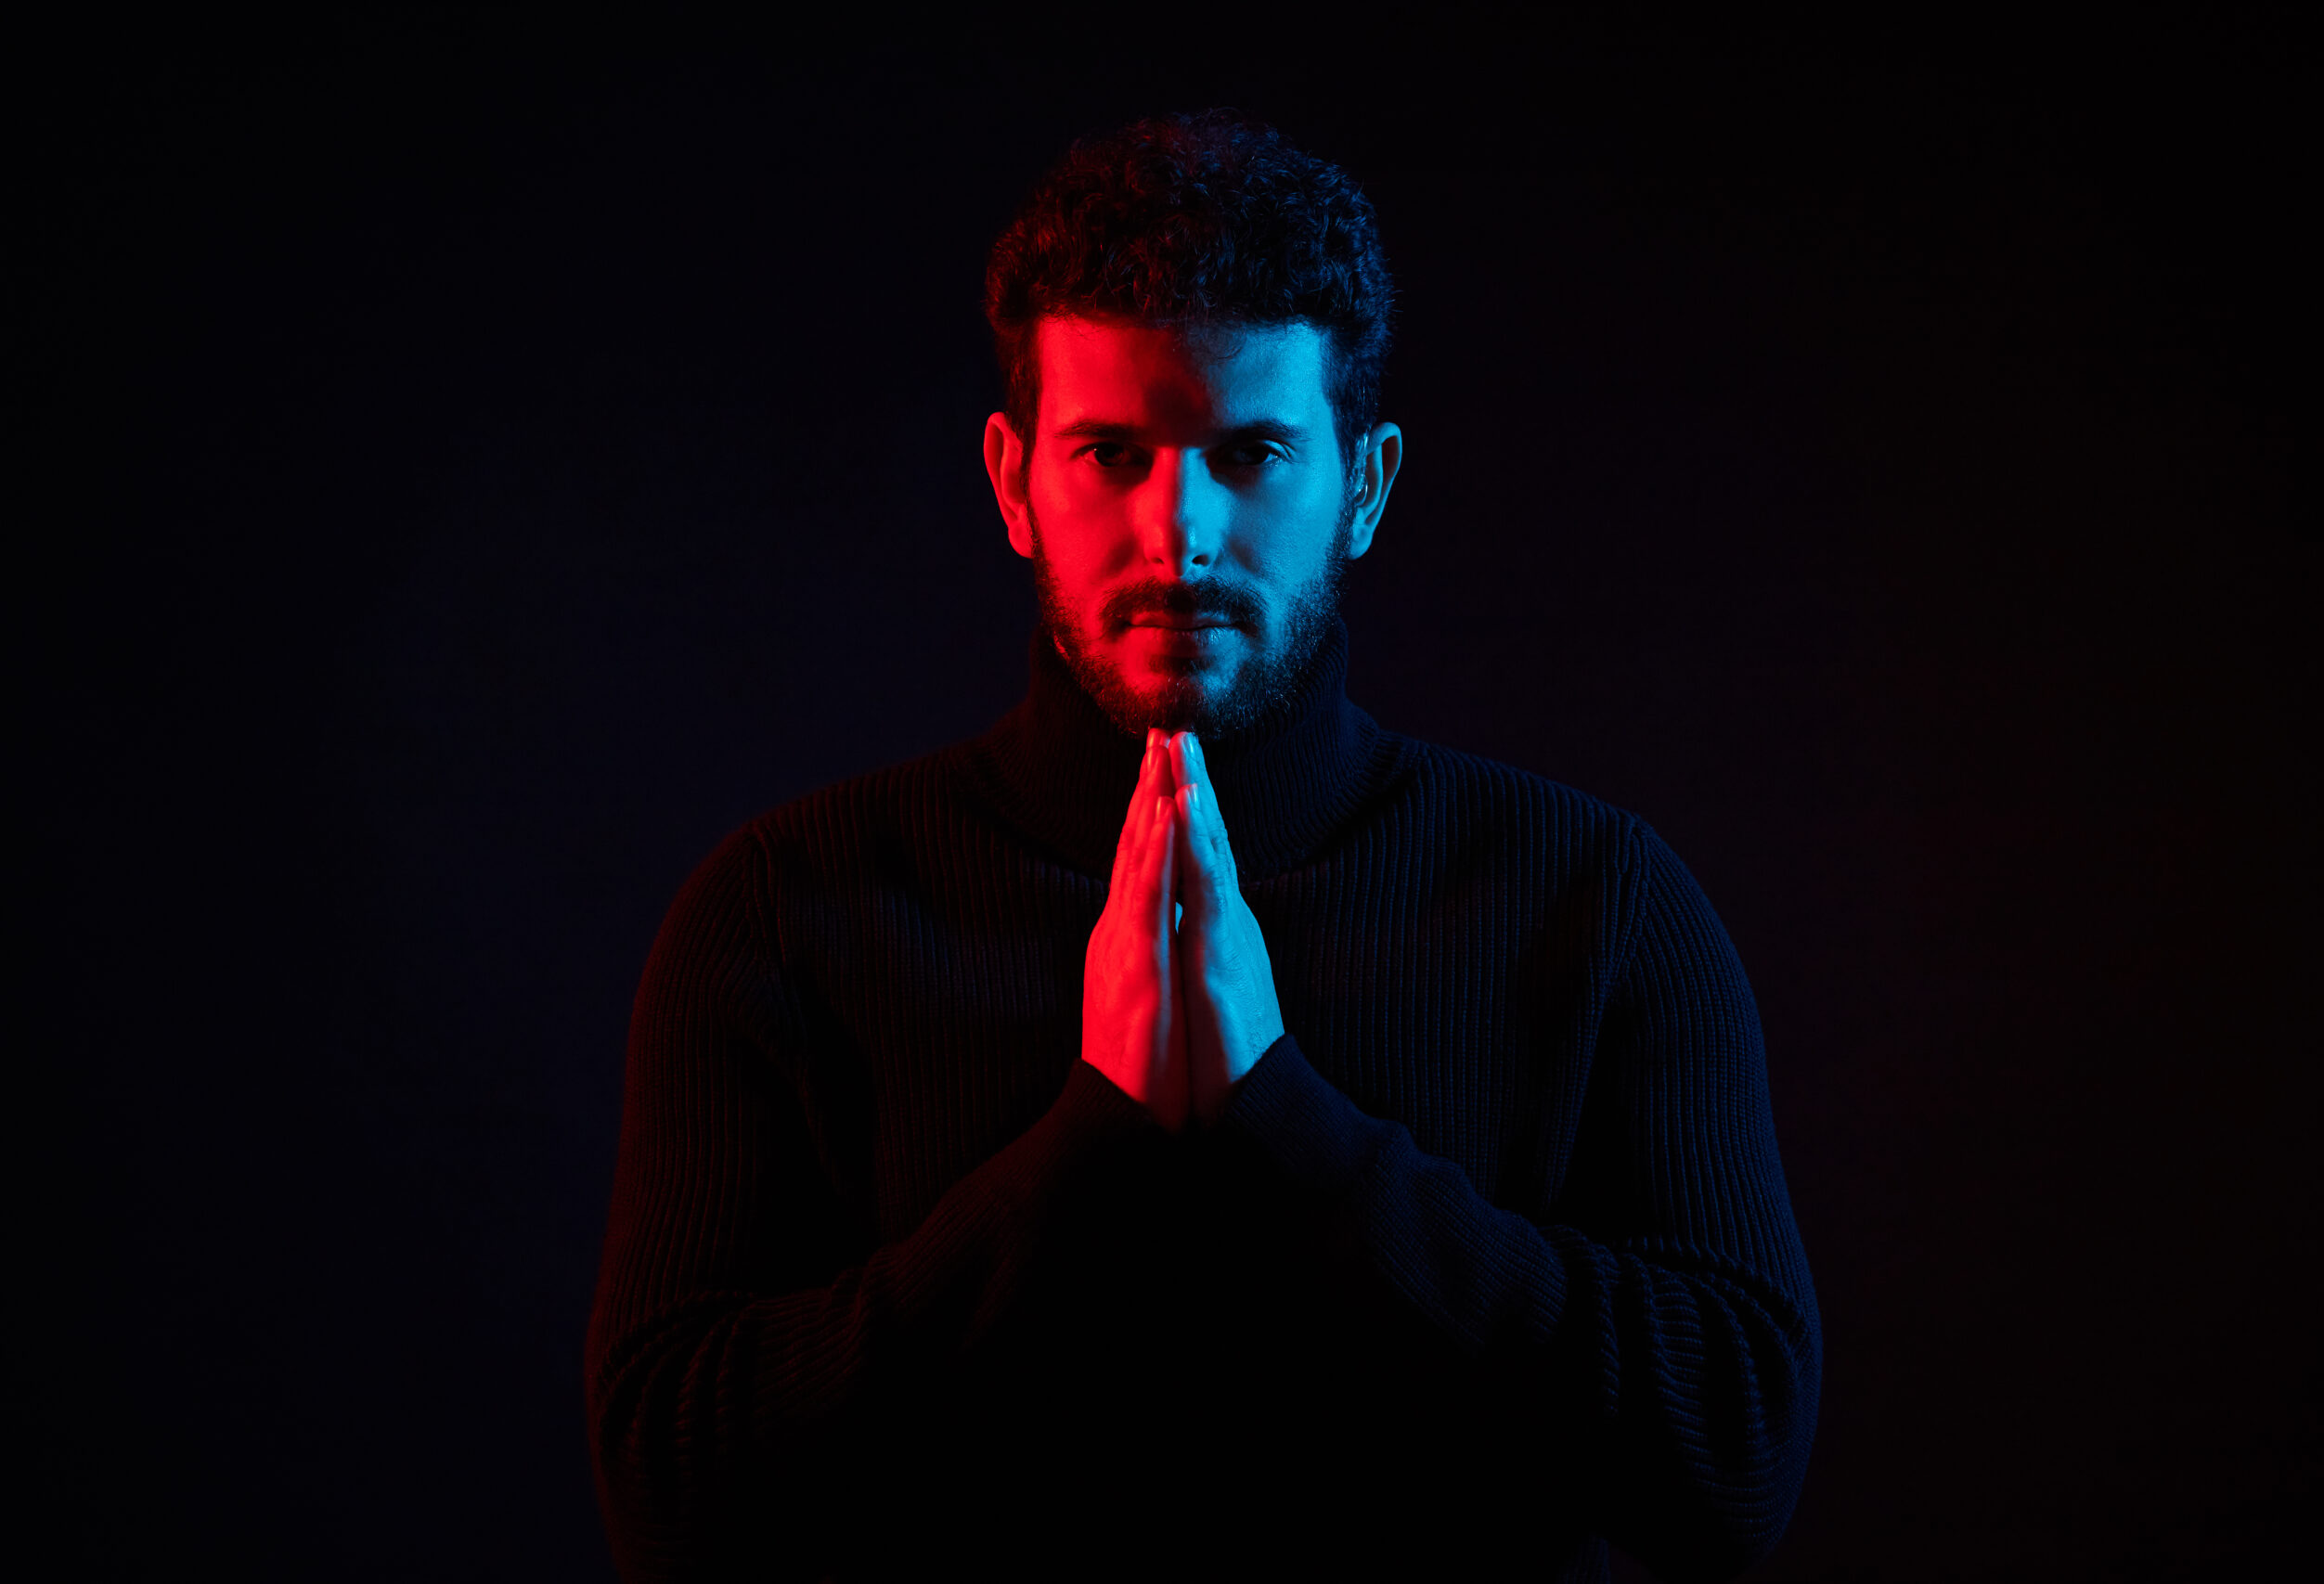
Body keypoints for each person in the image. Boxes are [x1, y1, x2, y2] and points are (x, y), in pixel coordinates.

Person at [586, 109, 1820, 1583]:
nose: (1177, 532)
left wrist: (1282, 1121)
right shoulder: (787, 914)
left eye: (1251, 454)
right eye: (1111, 453)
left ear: (1364, 486)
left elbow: (1737, 1465)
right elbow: (666, 1503)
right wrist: (1092, 1143)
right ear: (1013, 481)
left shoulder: (1594, 903)